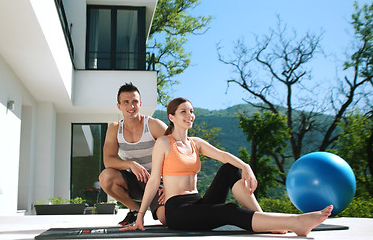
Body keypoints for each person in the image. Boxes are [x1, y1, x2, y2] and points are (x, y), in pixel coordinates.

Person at [121, 97, 333, 236]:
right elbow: (153, 179)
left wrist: (245, 166)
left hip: (198, 203)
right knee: (229, 210)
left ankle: (267, 220)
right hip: (178, 210)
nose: (190, 115)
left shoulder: (196, 143)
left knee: (230, 169)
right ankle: (295, 223)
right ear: (171, 117)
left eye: (191, 111)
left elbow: (223, 156)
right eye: (183, 112)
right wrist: (140, 216)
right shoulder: (164, 143)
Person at [98, 83, 167, 226]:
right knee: (106, 176)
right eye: (126, 102)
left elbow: (178, 153)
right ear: (119, 106)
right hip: (135, 182)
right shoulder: (115, 128)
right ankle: (134, 211)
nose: (131, 106)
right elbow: (108, 160)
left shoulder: (154, 125)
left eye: (135, 102)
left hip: (157, 183)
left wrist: (171, 185)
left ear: (140, 103)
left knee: (166, 219)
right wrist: (130, 164)